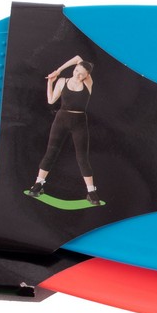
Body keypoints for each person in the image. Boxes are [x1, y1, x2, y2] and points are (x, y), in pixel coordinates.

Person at [27, 55, 100, 204]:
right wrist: (53, 79)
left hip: (79, 122)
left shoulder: (88, 83)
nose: (77, 74)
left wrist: (69, 69)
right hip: (61, 120)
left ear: (87, 76)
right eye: (76, 70)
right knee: (51, 153)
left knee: (82, 158)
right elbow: (51, 100)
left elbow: (79, 58)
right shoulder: (62, 81)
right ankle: (38, 184)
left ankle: (91, 192)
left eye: (81, 74)